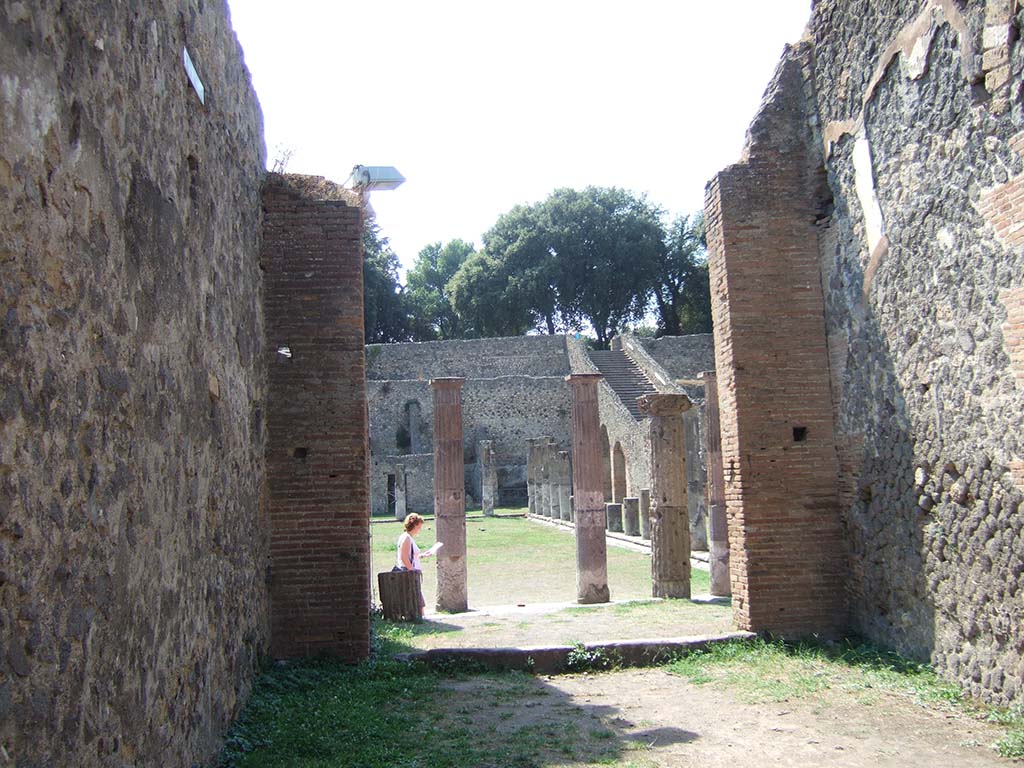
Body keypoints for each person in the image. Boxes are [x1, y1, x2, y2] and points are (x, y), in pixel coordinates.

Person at [395, 513, 435, 615]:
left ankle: (420, 616)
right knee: (416, 597)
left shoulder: (409, 537)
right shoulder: (406, 538)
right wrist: (411, 570)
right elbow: (404, 557)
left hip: (411, 570)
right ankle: (420, 617)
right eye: (419, 526)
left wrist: (423, 555)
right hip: (408, 571)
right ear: (414, 525)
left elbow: (411, 555)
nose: (420, 528)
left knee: (416, 596)